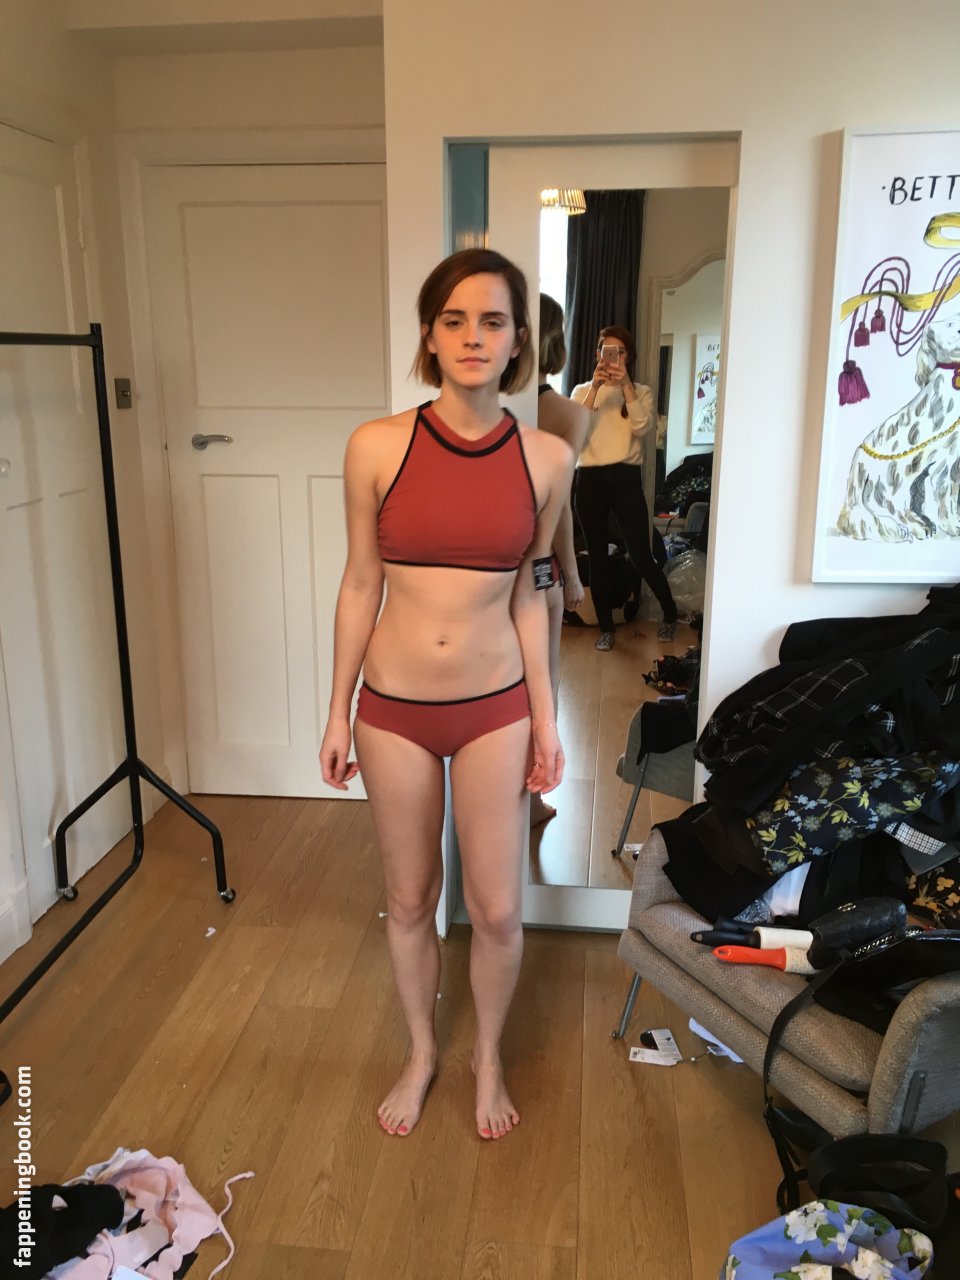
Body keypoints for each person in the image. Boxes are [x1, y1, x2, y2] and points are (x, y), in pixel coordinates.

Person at [319, 248, 573, 1141]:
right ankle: (422, 1050)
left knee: (497, 907)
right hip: (392, 711)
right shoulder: (376, 445)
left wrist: (547, 720)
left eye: (493, 321)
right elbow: (360, 583)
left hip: (495, 707)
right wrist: (337, 710)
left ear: (519, 342)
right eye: (454, 320)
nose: (473, 337)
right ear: (429, 336)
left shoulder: (548, 458)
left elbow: (534, 591)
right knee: (410, 897)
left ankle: (488, 1055)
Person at [571, 326, 678, 651]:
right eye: (607, 351)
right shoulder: (581, 391)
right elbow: (574, 432)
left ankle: (670, 614)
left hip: (625, 478)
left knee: (641, 554)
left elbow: (643, 427)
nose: (612, 357)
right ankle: (606, 628)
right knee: (597, 557)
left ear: (628, 357)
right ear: (597, 355)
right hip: (589, 479)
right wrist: (595, 388)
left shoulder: (641, 392)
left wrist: (626, 386)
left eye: (619, 352)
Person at [529, 293, 589, 826]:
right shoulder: (569, 415)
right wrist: (571, 575)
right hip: (537, 568)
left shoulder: (489, 408)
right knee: (541, 683)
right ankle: (528, 800)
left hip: (486, 571)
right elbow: (561, 505)